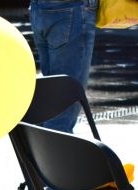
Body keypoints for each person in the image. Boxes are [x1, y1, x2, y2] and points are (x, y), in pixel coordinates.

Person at [28, 0, 98, 132]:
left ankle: (44, 142)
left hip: (40, 8)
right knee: (63, 107)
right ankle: (54, 143)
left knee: (50, 100)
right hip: (71, 10)